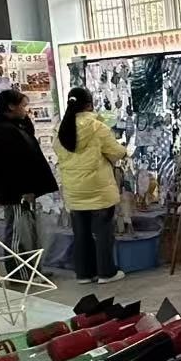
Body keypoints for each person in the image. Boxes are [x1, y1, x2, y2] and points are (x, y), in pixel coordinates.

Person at [55, 87, 128, 285]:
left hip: (74, 189)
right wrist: (124, 151)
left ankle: (84, 274)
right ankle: (106, 273)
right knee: (103, 233)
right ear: (89, 104)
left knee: (81, 234)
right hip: (98, 189)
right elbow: (116, 152)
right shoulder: (97, 127)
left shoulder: (60, 129)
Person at [0, 89, 57, 253]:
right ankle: (17, 267)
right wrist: (24, 190)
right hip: (15, 192)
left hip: (23, 191)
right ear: (11, 106)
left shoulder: (15, 126)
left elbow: (29, 142)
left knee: (28, 231)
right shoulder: (2, 131)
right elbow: (11, 165)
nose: (26, 110)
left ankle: (31, 264)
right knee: (18, 232)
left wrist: (25, 119)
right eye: (23, 106)